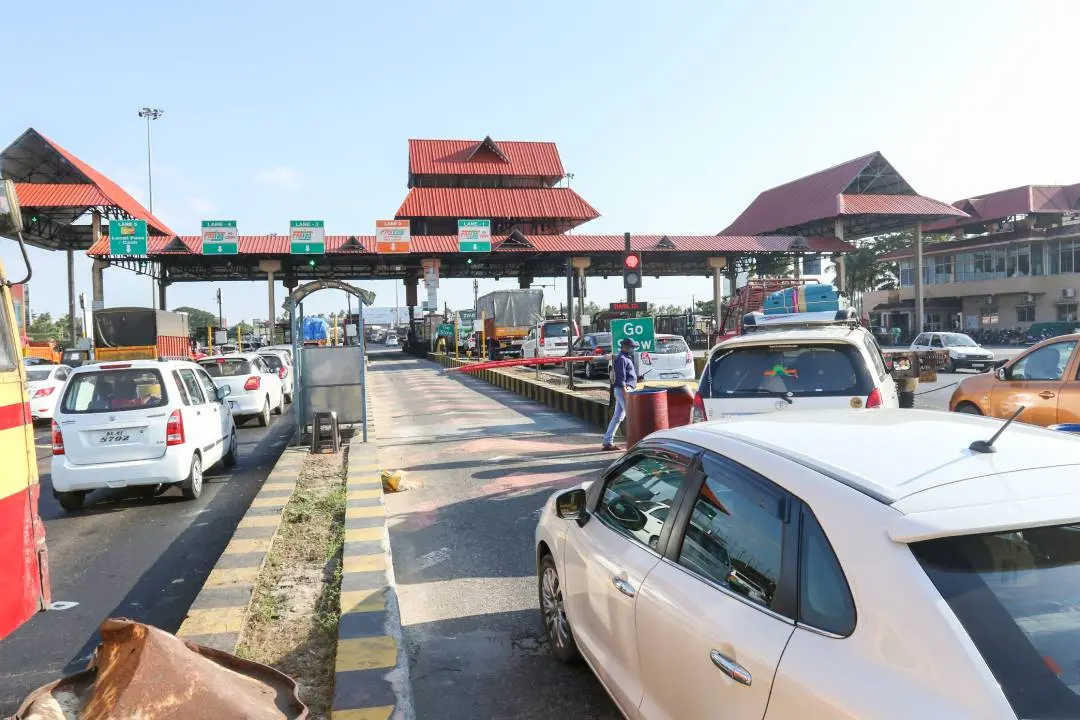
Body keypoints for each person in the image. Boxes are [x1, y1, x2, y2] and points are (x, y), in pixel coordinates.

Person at [603, 338, 638, 451]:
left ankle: (607, 441)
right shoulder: (622, 359)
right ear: (626, 347)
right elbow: (621, 379)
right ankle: (635, 442)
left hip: (622, 390)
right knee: (632, 416)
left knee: (618, 417)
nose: (633, 349)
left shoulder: (624, 358)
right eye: (632, 347)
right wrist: (626, 393)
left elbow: (626, 376)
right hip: (623, 390)